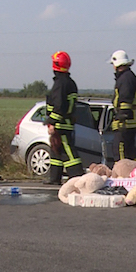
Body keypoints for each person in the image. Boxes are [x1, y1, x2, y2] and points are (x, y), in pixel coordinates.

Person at [43, 51, 84, 185]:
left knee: (69, 153)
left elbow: (59, 106)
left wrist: (52, 122)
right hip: (66, 123)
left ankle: (78, 179)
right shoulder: (70, 82)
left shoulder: (60, 84)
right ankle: (54, 178)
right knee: (56, 151)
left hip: (61, 124)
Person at [109, 49, 136, 161]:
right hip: (130, 121)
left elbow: (125, 102)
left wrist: (120, 118)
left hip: (126, 123)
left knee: (119, 150)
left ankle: (122, 175)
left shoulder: (126, 79)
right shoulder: (128, 77)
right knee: (130, 150)